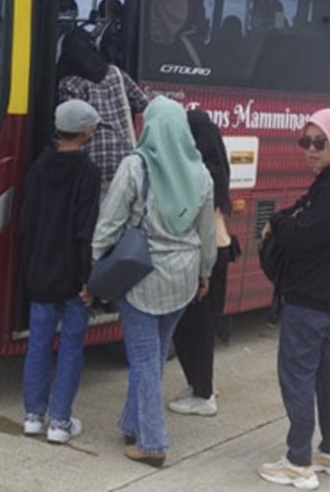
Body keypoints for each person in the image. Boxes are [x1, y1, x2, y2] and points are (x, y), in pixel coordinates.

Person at [92, 96, 216, 467]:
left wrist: (95, 266)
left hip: (142, 275)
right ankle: (133, 423)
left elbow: (110, 223)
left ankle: (152, 442)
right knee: (155, 355)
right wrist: (205, 271)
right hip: (184, 276)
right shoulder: (201, 172)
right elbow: (206, 232)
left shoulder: (135, 166)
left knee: (145, 359)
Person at [258, 109, 330, 490]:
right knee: (329, 374)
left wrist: (277, 225)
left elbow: (307, 232)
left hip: (309, 297)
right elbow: (306, 217)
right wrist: (285, 219)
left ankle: (297, 462)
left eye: (319, 142)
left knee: (297, 377)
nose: (310, 150)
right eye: (304, 142)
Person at [19, 99, 102, 444]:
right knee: (70, 346)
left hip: (40, 271)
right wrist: (89, 278)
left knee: (37, 344)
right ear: (85, 133)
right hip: (72, 276)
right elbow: (86, 229)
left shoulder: (38, 166)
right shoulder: (89, 172)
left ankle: (33, 416)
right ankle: (60, 422)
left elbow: (28, 223)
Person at [168, 109, 239, 417]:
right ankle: (198, 384)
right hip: (218, 252)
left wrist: (203, 270)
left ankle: (204, 394)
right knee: (200, 326)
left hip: (206, 255)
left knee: (193, 327)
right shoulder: (217, 169)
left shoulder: (202, 173)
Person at [57, 28, 149, 196]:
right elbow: (143, 103)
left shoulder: (70, 82)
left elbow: (70, 124)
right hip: (124, 155)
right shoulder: (115, 73)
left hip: (91, 158)